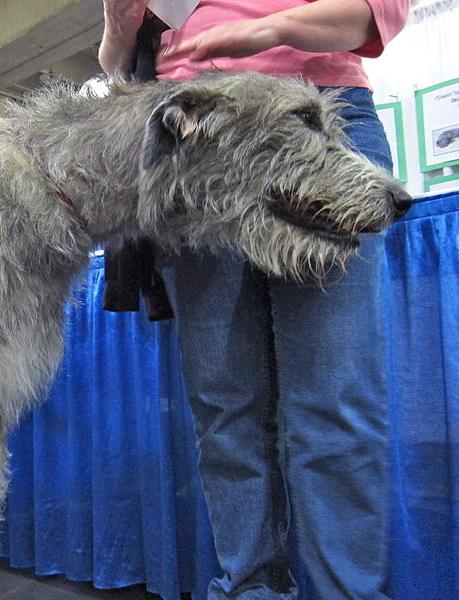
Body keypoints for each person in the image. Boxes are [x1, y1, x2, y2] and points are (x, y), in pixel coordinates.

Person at [100, 2, 409, 600]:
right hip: (199, 136)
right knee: (223, 406)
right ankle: (246, 588)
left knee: (334, 400)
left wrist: (269, 31)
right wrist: (117, 29)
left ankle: (345, 592)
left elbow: (380, 10)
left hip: (319, 108)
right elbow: (116, 73)